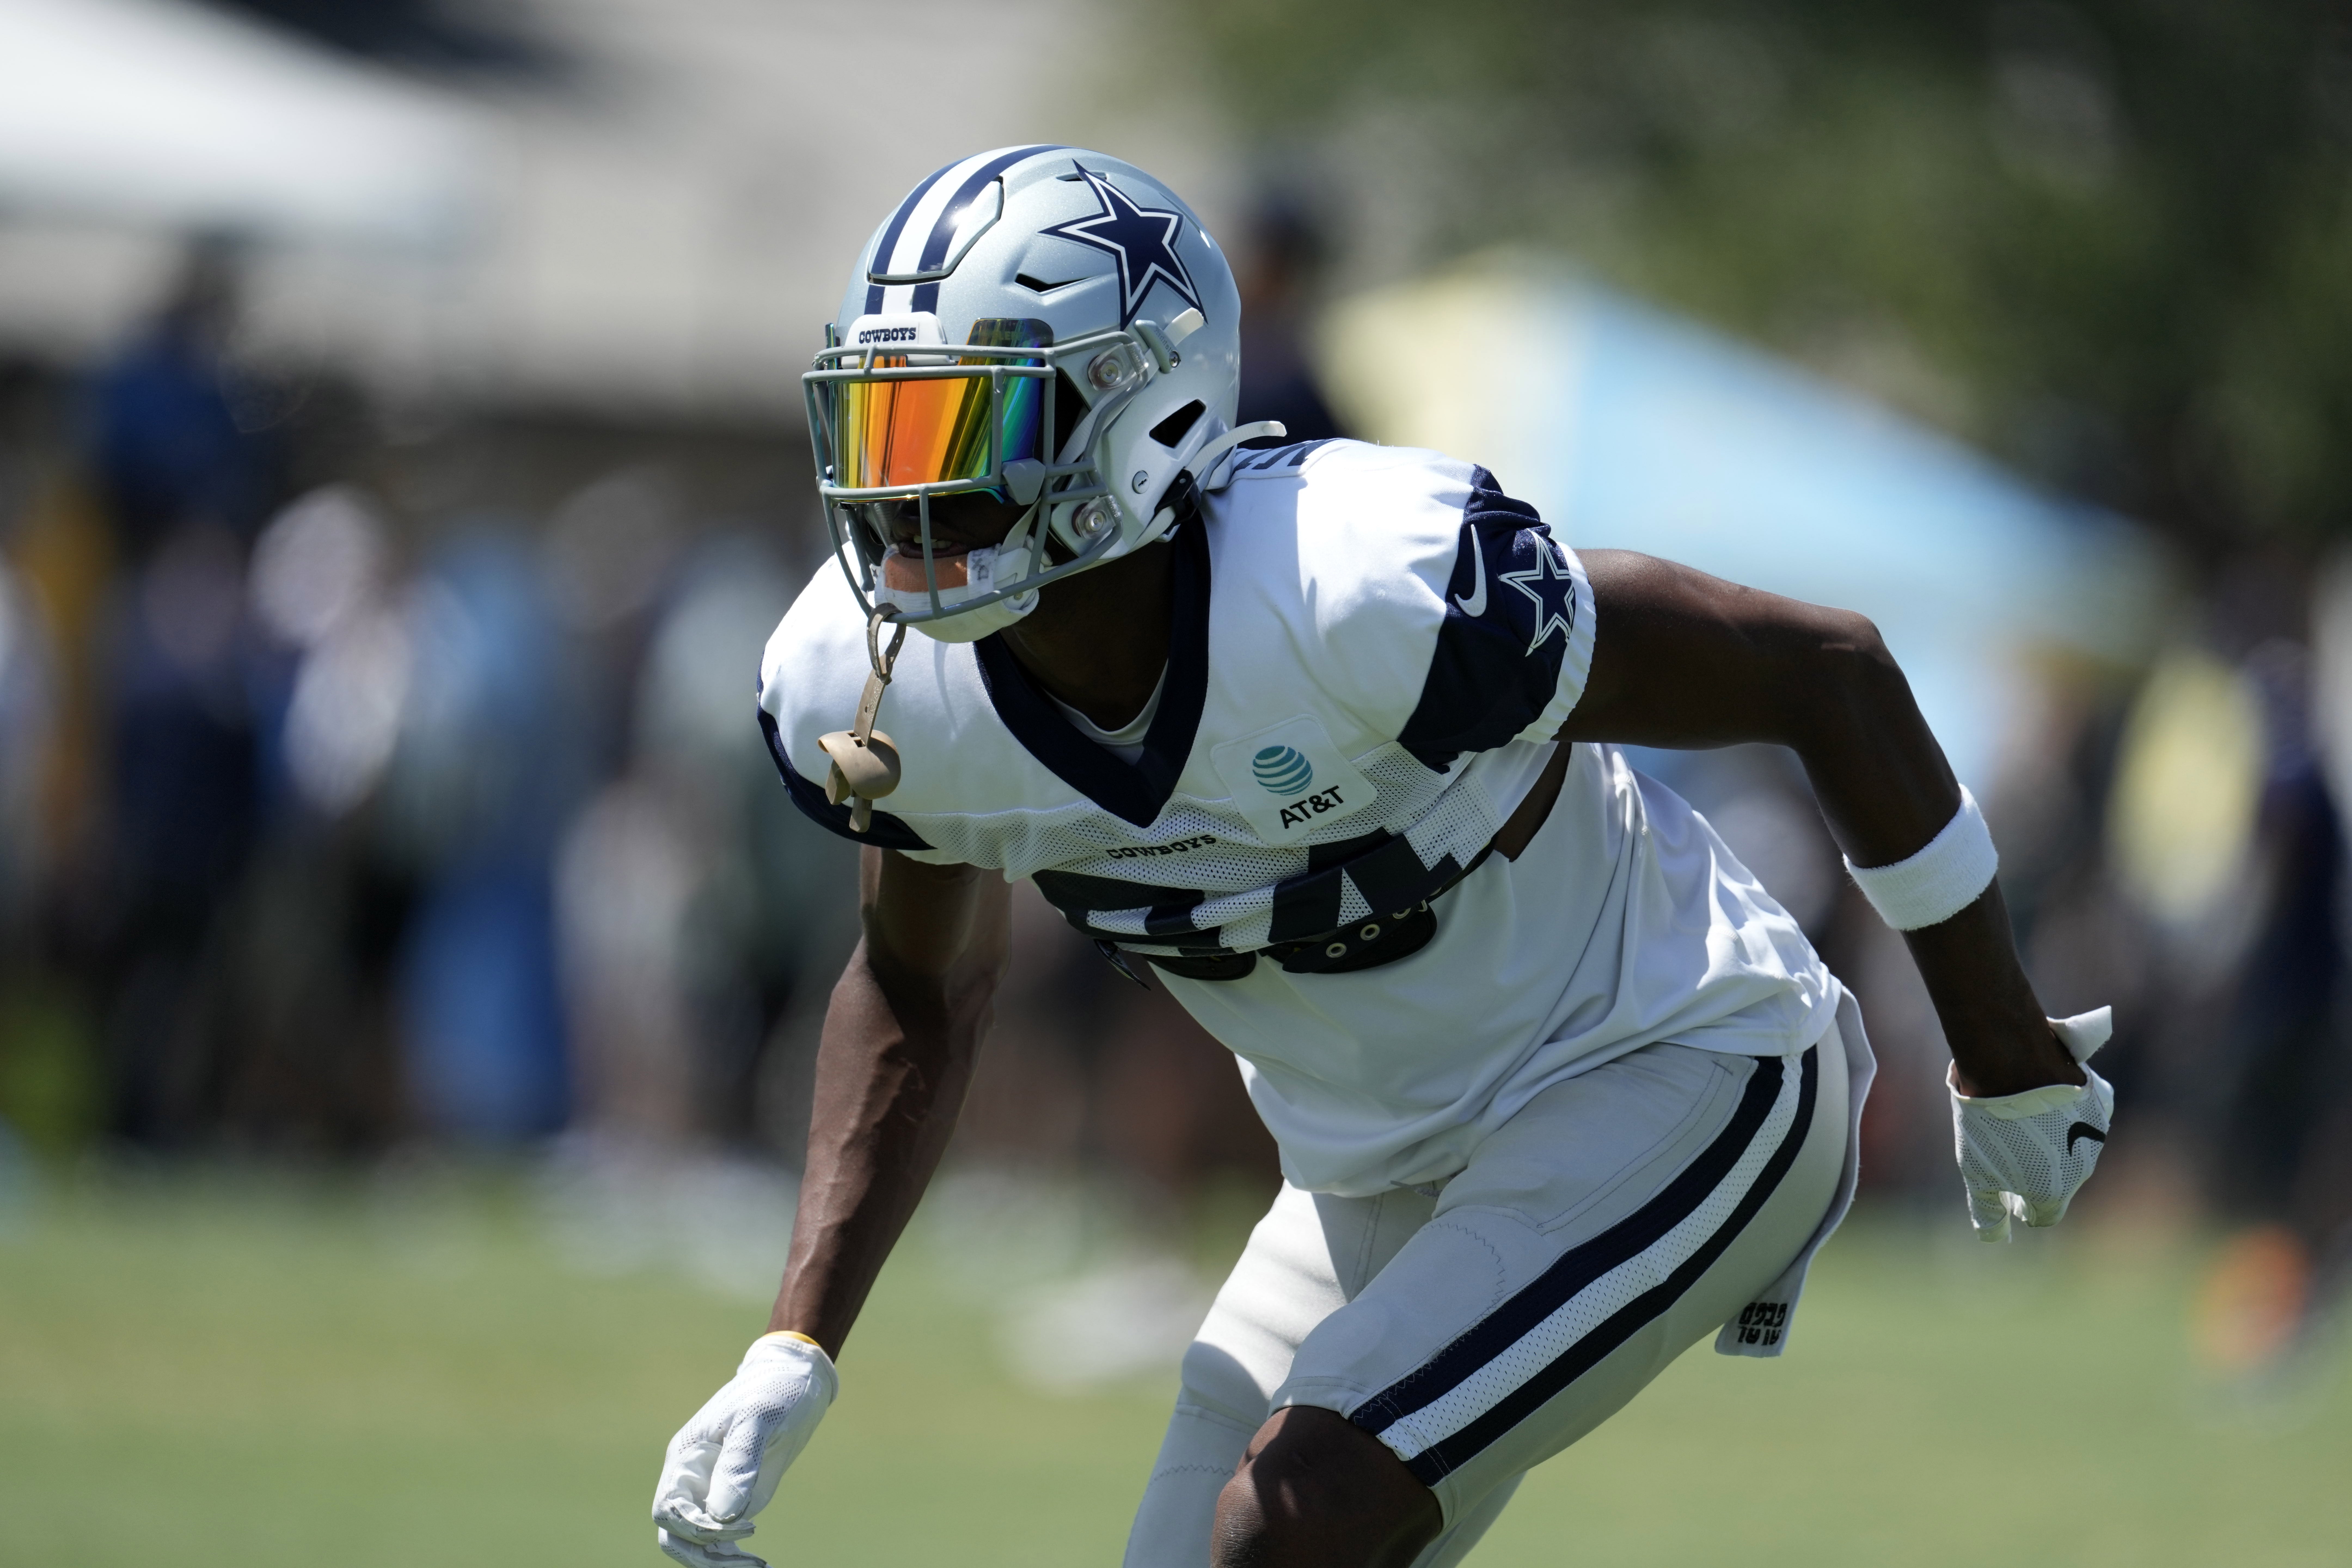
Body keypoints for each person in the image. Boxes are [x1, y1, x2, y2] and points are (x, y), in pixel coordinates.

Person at [651, 147, 2118, 1568]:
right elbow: (918, 989)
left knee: (1288, 1527)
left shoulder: (1362, 587)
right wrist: (798, 1341)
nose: (904, 498)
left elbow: (1825, 671)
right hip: (1364, 1171)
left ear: (1133, 411)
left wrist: (2003, 1048)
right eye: (882, 432)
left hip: (1668, 1064)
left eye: (962, 432)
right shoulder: (885, 686)